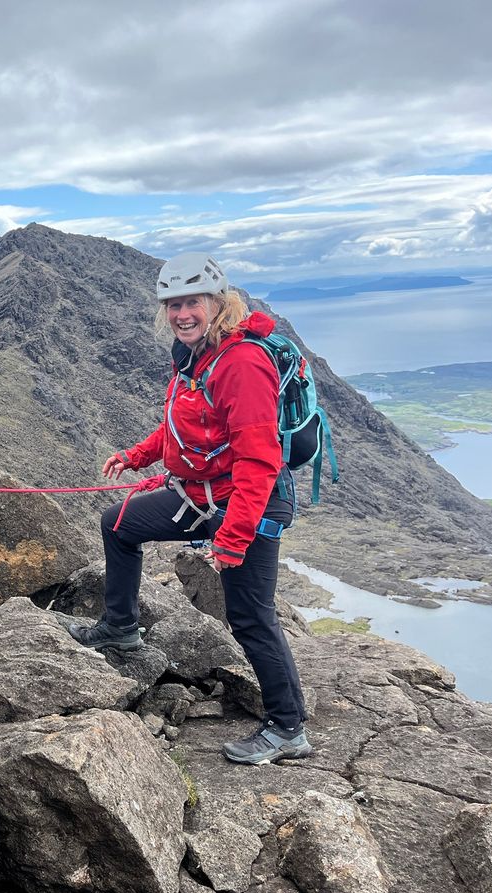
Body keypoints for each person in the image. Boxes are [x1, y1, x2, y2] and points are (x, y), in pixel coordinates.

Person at [68, 252, 311, 766]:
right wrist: (136, 455)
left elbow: (259, 460)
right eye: (173, 304)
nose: (182, 313)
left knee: (249, 617)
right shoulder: (197, 357)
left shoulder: (241, 363)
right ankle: (120, 628)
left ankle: (287, 727)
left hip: (251, 503)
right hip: (201, 495)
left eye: (191, 302)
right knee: (117, 523)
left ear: (216, 303)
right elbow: (186, 427)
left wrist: (234, 538)